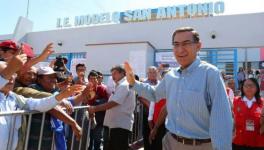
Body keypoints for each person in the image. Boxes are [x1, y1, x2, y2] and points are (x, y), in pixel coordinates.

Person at [124, 27, 232, 150]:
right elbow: (154, 94)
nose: (180, 50)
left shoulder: (210, 74)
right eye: (176, 45)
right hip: (170, 143)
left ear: (198, 46)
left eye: (186, 43)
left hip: (200, 146)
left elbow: (222, 120)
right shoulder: (171, 75)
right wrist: (134, 82)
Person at [0, 61, 84, 150]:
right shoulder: (26, 89)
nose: (11, 78)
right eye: (5, 75)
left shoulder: (14, 97)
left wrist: (62, 95)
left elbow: (39, 104)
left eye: (13, 74)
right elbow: (50, 106)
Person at [87, 65, 136, 150]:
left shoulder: (124, 85)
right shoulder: (119, 85)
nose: (112, 76)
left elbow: (113, 103)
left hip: (120, 125)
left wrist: (94, 108)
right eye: (112, 74)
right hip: (115, 125)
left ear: (122, 73)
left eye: (115, 73)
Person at [232, 78, 264, 149]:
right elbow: (231, 119)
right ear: (242, 88)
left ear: (257, 88)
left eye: (251, 85)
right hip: (239, 141)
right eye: (246, 86)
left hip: (258, 142)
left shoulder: (262, 102)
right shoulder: (235, 101)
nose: (248, 88)